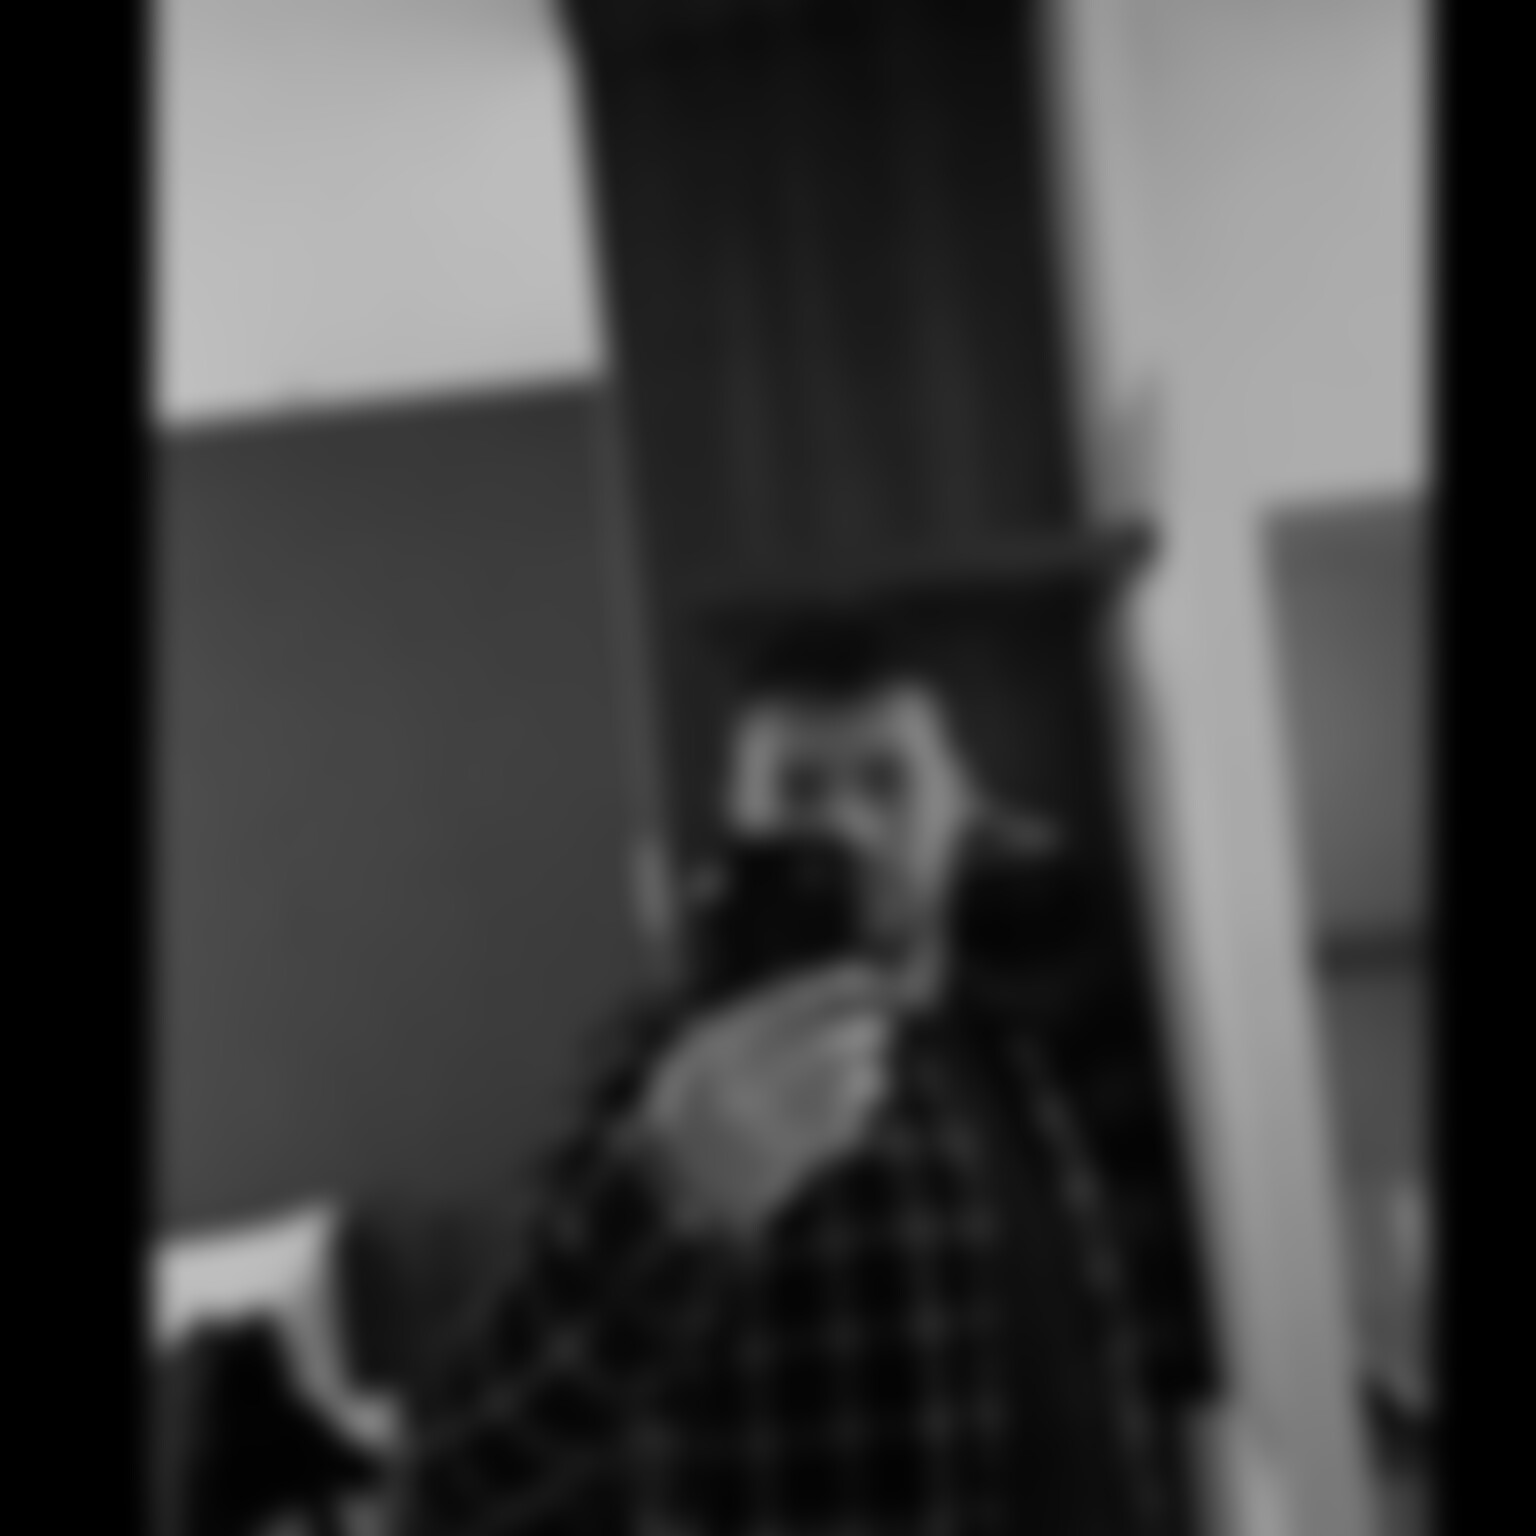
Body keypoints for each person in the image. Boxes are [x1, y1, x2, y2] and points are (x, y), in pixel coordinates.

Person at [385, 610, 1196, 1536]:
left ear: (963, 800)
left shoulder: (1027, 1041)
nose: (848, 825)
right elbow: (456, 1466)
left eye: (888, 780)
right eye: (798, 789)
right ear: (738, 817)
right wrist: (677, 1188)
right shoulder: (674, 1084)